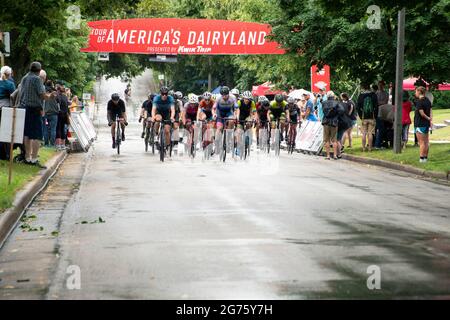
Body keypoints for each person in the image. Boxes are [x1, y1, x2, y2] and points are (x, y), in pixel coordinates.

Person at [19, 62, 57, 167]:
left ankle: (27, 157)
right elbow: (42, 96)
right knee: (37, 135)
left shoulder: (25, 78)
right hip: (36, 109)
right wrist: (51, 96)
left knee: (27, 134)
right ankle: (34, 159)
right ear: (39, 70)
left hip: (26, 107)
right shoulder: (37, 79)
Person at [0, 66, 16, 160]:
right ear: (9, 74)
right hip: (5, 108)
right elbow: (13, 96)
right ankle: (5, 154)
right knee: (6, 132)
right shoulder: (9, 84)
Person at [356, 83, 378, 152]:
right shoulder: (373, 95)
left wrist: (360, 116)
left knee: (364, 133)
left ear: (363, 88)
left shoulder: (361, 95)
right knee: (370, 133)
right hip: (372, 116)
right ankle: (370, 148)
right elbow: (376, 107)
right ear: (369, 87)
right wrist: (375, 116)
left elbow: (358, 107)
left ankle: (363, 148)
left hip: (363, 117)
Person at [413, 86, 432, 163]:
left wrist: (428, 118)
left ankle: (421, 159)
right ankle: (425, 158)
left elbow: (422, 113)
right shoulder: (428, 100)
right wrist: (430, 120)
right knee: (426, 142)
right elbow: (431, 111)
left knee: (421, 142)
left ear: (419, 92)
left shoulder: (419, 102)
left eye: (416, 92)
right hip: (426, 124)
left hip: (419, 124)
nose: (415, 93)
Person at [321, 91, 339, 160]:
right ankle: (335, 155)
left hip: (326, 122)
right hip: (334, 122)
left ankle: (328, 155)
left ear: (327, 96)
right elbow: (340, 111)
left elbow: (323, 112)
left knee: (326, 139)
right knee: (334, 140)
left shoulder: (324, 103)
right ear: (333, 96)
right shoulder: (337, 103)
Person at [42, 80, 59, 147]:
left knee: (45, 129)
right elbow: (58, 102)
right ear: (52, 84)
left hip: (46, 114)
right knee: (53, 129)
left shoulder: (44, 92)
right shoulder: (55, 93)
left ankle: (46, 144)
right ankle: (52, 144)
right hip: (54, 114)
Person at [336, 92, 353, 157]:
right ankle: (349, 145)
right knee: (348, 133)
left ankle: (341, 147)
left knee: (341, 136)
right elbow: (350, 112)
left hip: (343, 121)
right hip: (348, 120)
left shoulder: (342, 104)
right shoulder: (350, 103)